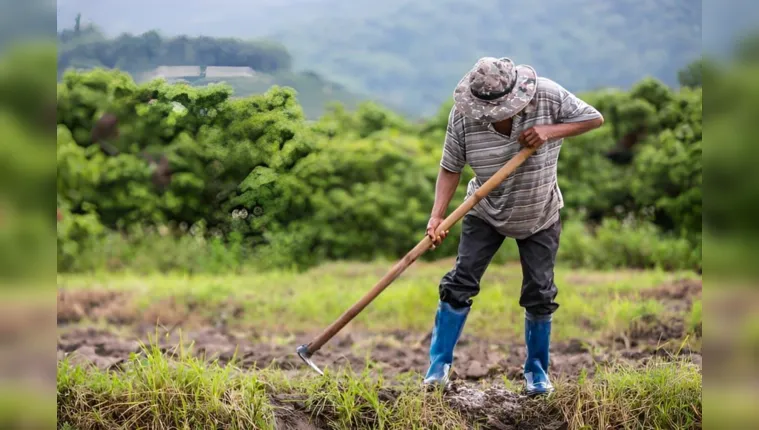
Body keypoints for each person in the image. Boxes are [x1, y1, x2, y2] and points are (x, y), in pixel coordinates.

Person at [424, 57, 604, 396]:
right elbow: (450, 167)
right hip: (485, 209)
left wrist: (550, 131)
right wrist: (437, 216)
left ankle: (536, 373)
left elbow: (593, 118)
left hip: (540, 212)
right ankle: (438, 369)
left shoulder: (548, 96)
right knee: (460, 282)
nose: (491, 115)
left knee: (539, 292)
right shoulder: (463, 116)